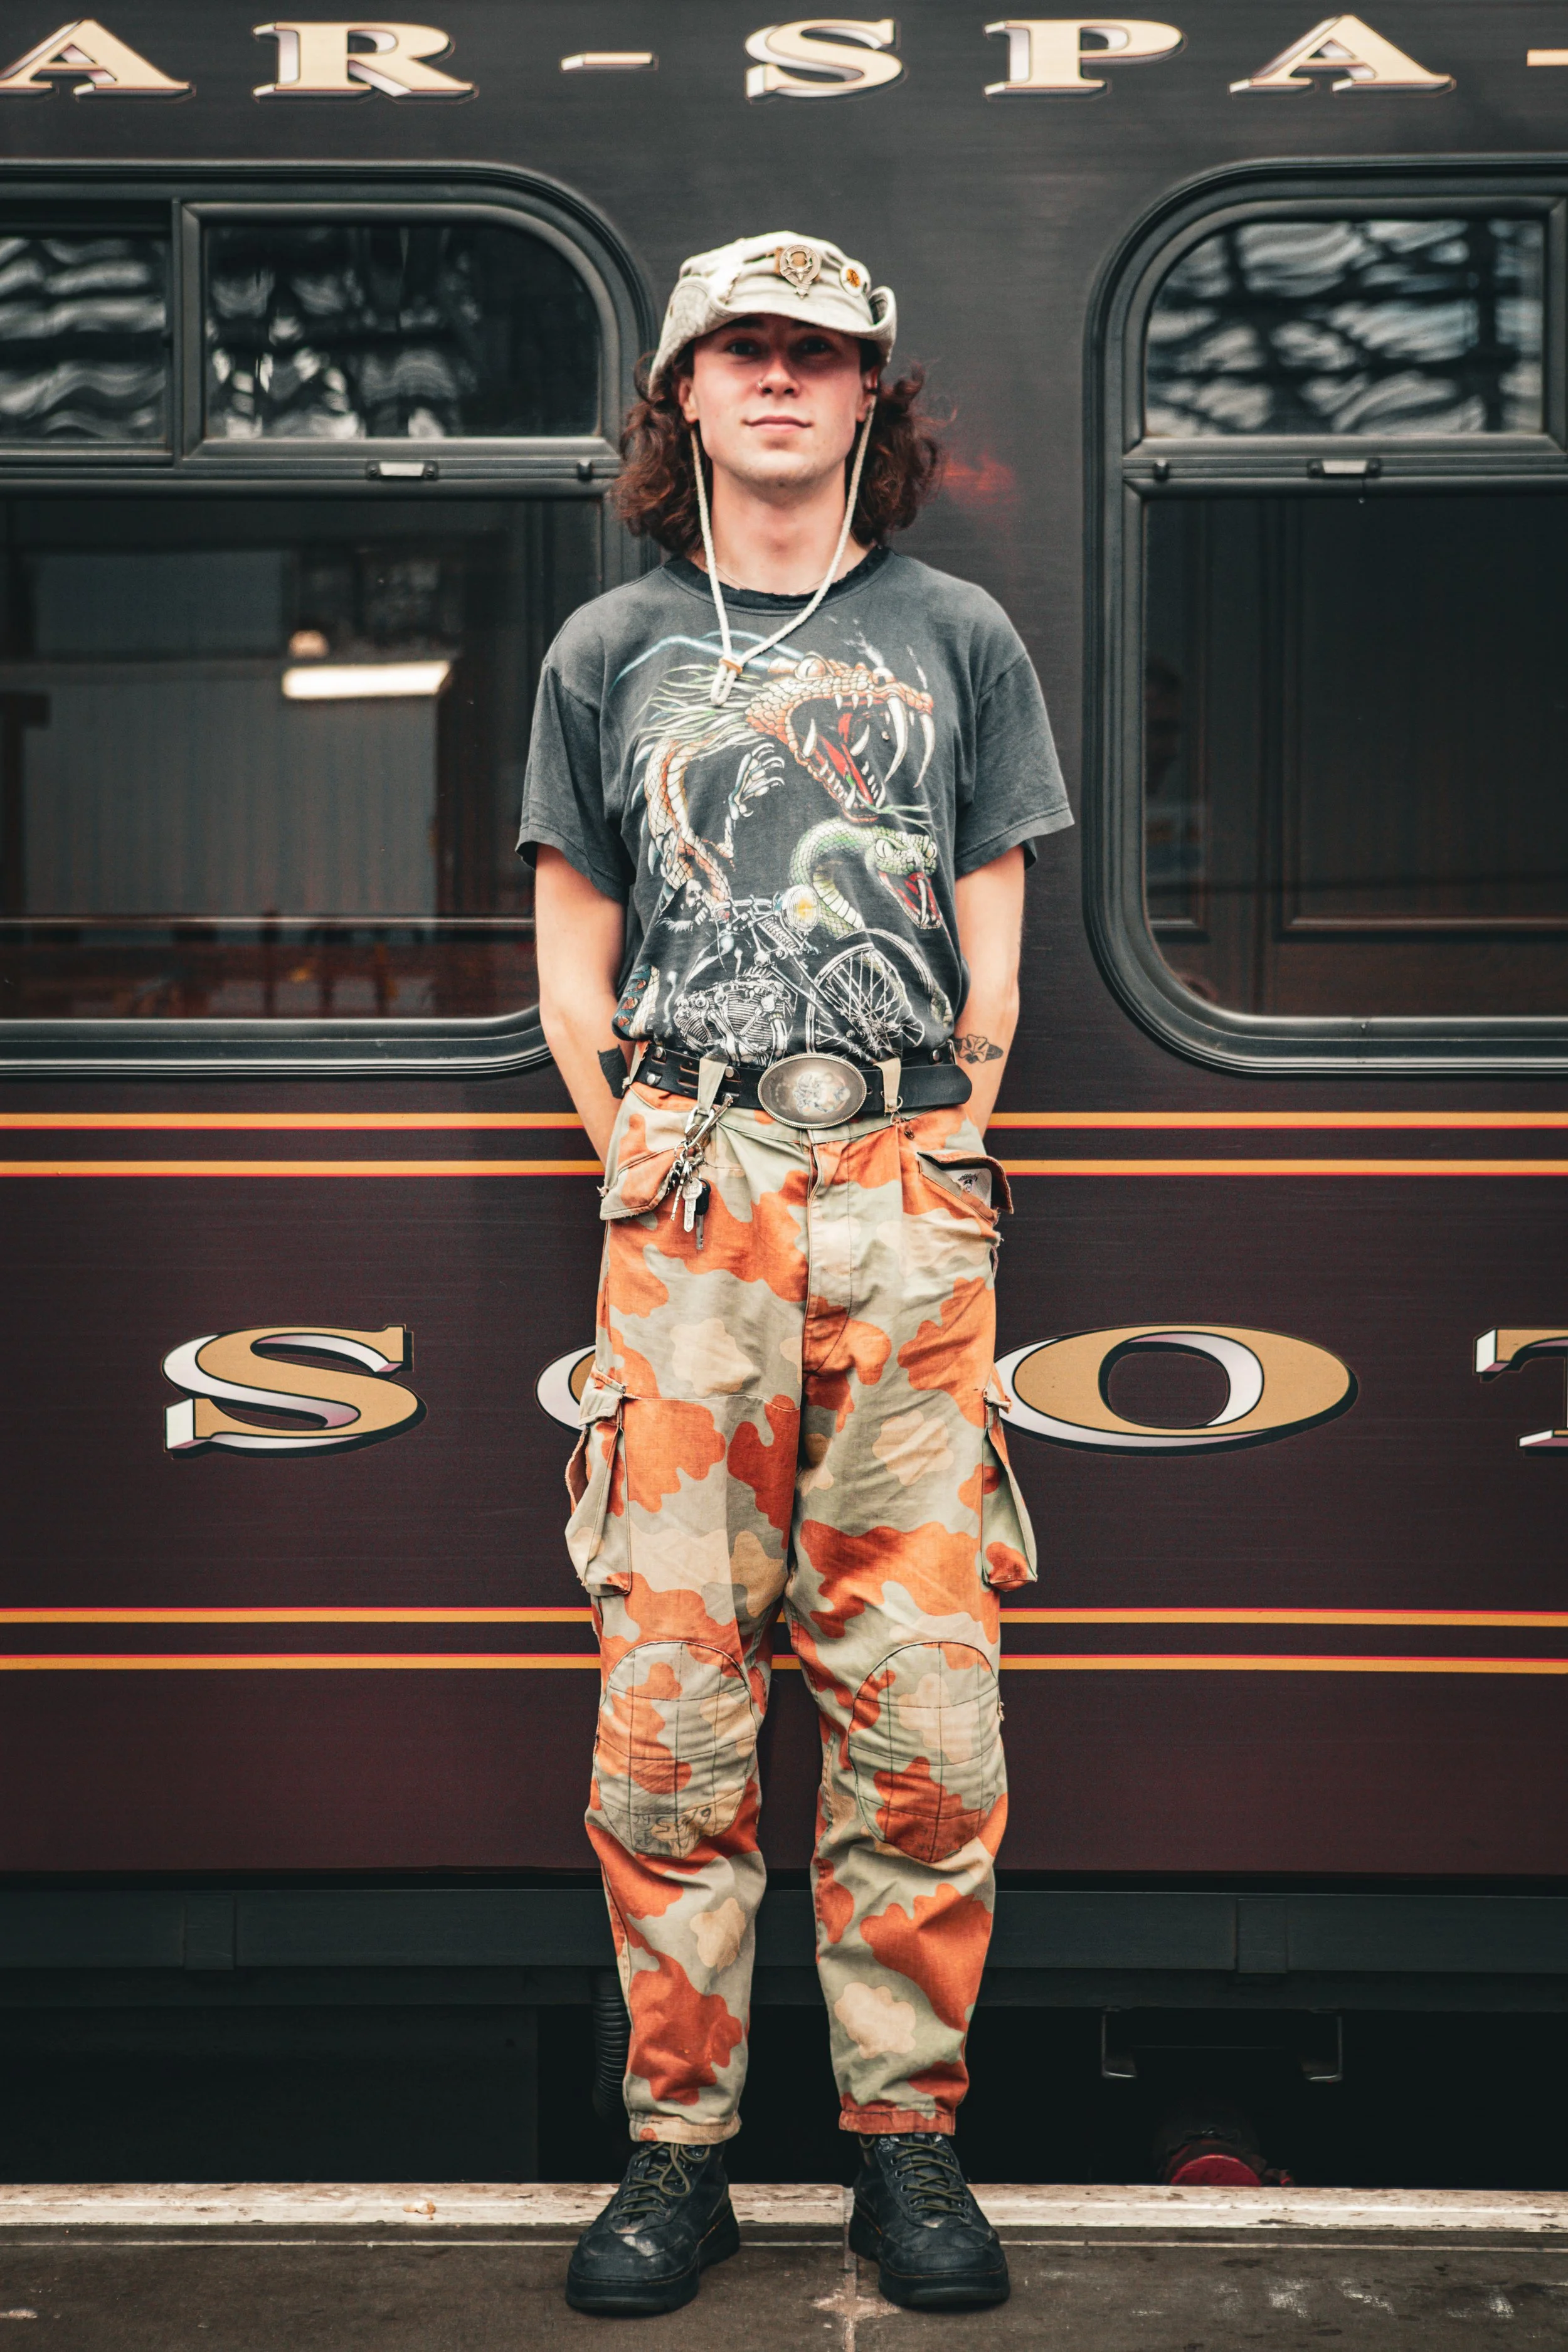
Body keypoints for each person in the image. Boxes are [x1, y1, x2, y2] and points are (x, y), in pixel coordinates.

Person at [519, 229, 1073, 2318]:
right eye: (742, 351)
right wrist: (644, 1153)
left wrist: (937, 1138)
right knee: (669, 1708)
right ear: (683, 396)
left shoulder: (956, 635)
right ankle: (677, 2156)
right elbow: (571, 950)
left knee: (918, 1705)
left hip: (908, 1192)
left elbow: (995, 933)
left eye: (819, 355)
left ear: (868, 400)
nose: (779, 380)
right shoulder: (608, 648)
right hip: (690, 1199)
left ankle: (902, 2144)